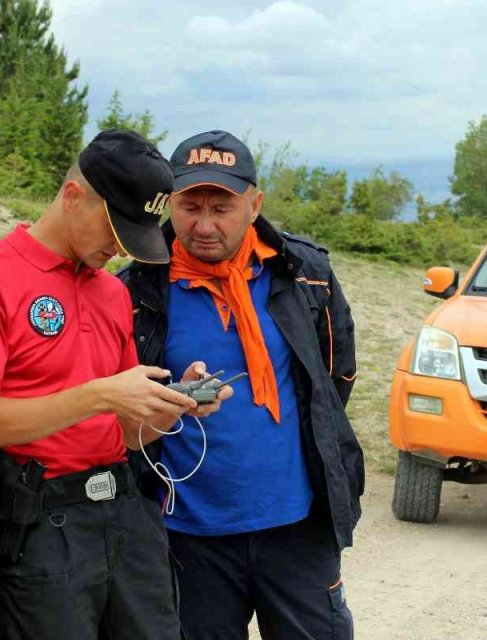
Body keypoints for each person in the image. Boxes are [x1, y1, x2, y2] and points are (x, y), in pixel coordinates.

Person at [0, 129, 229, 640]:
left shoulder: (111, 293)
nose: (120, 248)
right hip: (39, 529)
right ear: (73, 196)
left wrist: (170, 409)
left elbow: (127, 436)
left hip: (124, 517)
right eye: (116, 229)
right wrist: (99, 394)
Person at [119, 130, 363, 640]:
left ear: (254, 205)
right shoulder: (136, 287)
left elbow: (334, 381)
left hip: (296, 526)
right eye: (189, 206)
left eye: (222, 207)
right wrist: (174, 403)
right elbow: (124, 407)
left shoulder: (303, 273)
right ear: (170, 204)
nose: (203, 225)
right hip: (187, 535)